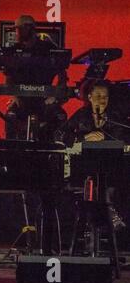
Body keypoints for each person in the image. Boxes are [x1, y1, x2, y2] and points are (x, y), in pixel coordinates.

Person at [57, 79, 128, 230]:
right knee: (95, 180)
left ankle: (102, 220)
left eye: (105, 96)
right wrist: (82, 138)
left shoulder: (115, 117)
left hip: (111, 166)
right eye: (98, 95)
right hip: (84, 168)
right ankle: (109, 216)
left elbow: (124, 138)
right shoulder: (81, 115)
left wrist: (107, 139)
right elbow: (59, 134)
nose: (102, 100)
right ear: (89, 97)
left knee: (110, 179)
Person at [4, 15, 68, 141]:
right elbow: (8, 77)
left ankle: (54, 152)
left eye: (18, 29)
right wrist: (14, 96)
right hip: (21, 100)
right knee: (11, 116)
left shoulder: (48, 48)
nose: (16, 33)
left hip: (44, 101)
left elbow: (63, 74)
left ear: (28, 28)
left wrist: (54, 96)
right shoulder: (13, 50)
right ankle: (11, 154)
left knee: (60, 116)